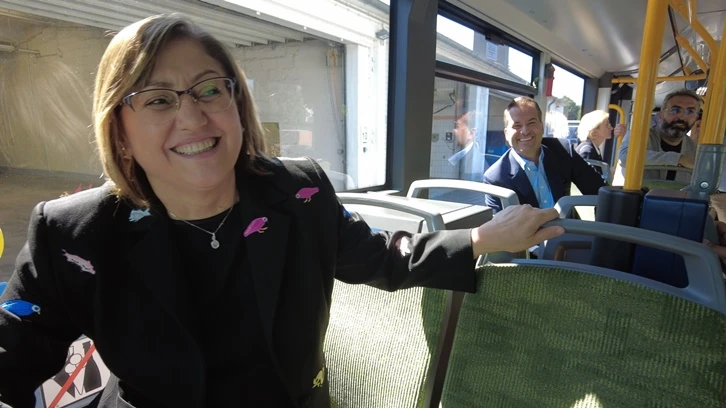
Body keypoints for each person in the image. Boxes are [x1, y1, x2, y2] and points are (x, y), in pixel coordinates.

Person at [0, 15, 564, 408]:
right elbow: (14, 349)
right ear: (119, 131)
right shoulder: (73, 234)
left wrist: (482, 238)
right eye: (157, 99)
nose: (192, 118)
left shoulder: (299, 192)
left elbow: (379, 257)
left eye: (208, 90)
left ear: (237, 104)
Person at [482, 96, 606, 213]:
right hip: (529, 230)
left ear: (541, 126)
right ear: (506, 133)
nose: (525, 131)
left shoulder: (562, 150)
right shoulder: (495, 178)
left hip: (568, 226)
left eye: (531, 123)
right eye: (517, 125)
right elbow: (502, 225)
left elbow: (600, 191)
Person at [617, 89, 701, 183]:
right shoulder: (640, 135)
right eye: (675, 110)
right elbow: (625, 157)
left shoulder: (693, 148)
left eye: (690, 112)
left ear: (696, 118)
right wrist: (679, 159)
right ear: (661, 115)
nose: (682, 117)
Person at [448, 111, 484, 182]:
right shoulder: (460, 157)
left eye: (458, 127)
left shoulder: (474, 164)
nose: (454, 131)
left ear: (471, 134)